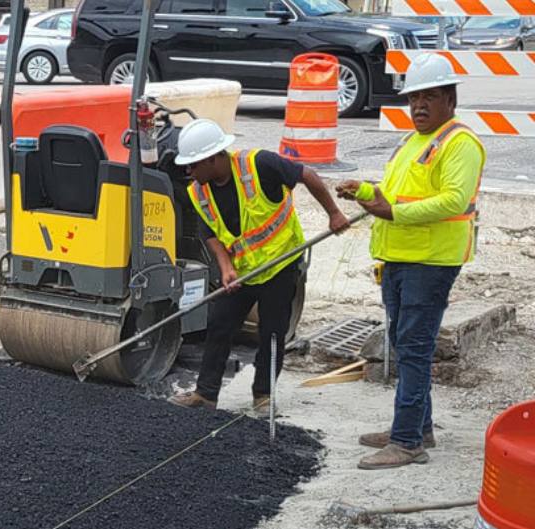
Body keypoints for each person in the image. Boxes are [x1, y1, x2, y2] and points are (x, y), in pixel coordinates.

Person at [335, 53, 484, 470]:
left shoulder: (459, 143)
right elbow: (395, 191)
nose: (419, 106)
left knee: (414, 350)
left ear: (449, 100)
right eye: (414, 98)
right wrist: (364, 190)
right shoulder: (413, 140)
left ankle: (406, 441)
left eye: (429, 98)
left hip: (430, 261)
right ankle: (420, 428)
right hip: (401, 256)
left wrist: (392, 212)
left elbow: (454, 199)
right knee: (404, 345)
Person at [166, 119, 350, 413]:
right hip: (244, 271)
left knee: (272, 332)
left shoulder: (260, 164)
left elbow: (309, 175)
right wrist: (225, 267)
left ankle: (263, 395)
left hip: (281, 265)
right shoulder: (199, 191)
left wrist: (334, 213)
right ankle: (206, 394)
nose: (188, 171)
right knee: (219, 323)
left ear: (213, 158)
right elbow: (209, 233)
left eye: (193, 165)